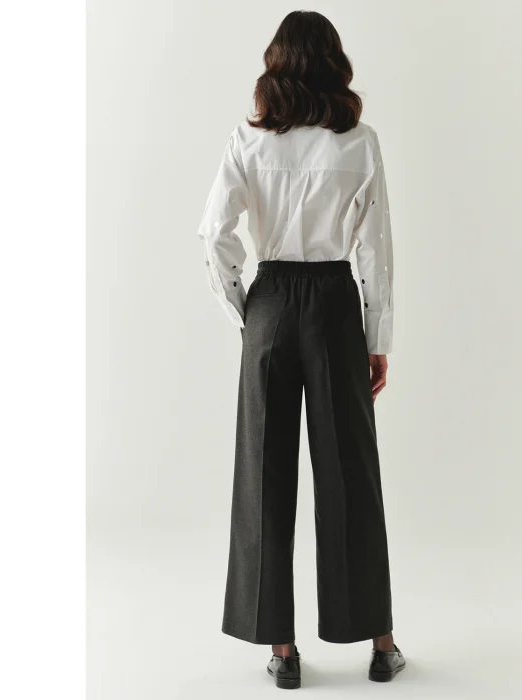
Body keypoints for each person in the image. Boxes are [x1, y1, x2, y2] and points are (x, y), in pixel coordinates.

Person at [197, 10, 405, 689]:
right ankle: (380, 644)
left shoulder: (248, 141)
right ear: (333, 64)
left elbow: (213, 234)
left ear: (276, 66)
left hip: (271, 300)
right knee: (351, 472)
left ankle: (282, 651)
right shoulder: (360, 142)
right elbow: (374, 249)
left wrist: (247, 312)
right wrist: (376, 338)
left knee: (263, 471)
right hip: (336, 304)